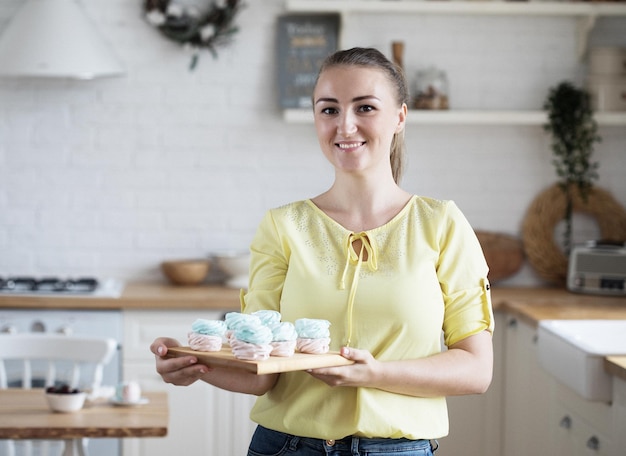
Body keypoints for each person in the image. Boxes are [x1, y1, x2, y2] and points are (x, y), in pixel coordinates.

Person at [151, 47, 494, 456]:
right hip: (286, 447)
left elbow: (476, 369)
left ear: (400, 117)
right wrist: (193, 364)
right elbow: (262, 373)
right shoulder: (283, 227)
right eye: (329, 110)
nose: (345, 126)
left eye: (364, 107)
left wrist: (375, 374)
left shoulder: (441, 225)